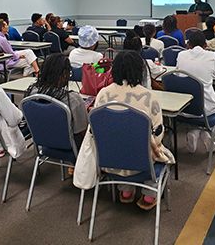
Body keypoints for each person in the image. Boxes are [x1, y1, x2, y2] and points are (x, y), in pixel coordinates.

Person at [74, 50, 175, 210]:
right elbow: (157, 134)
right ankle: (149, 192)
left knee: (118, 139)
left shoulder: (103, 94)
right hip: (142, 163)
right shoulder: (150, 97)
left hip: (108, 160)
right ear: (140, 71)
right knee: (156, 145)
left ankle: (125, 190)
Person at [176, 30, 215, 153]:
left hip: (183, 108)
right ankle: (203, 133)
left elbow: (178, 74)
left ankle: (195, 132)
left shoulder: (181, 55)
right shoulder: (211, 56)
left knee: (197, 110)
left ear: (188, 45)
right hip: (205, 109)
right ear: (205, 45)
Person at [25, 53, 88, 148]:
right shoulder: (72, 99)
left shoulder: (31, 94)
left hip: (43, 143)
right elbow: (82, 130)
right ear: (64, 74)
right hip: (71, 147)